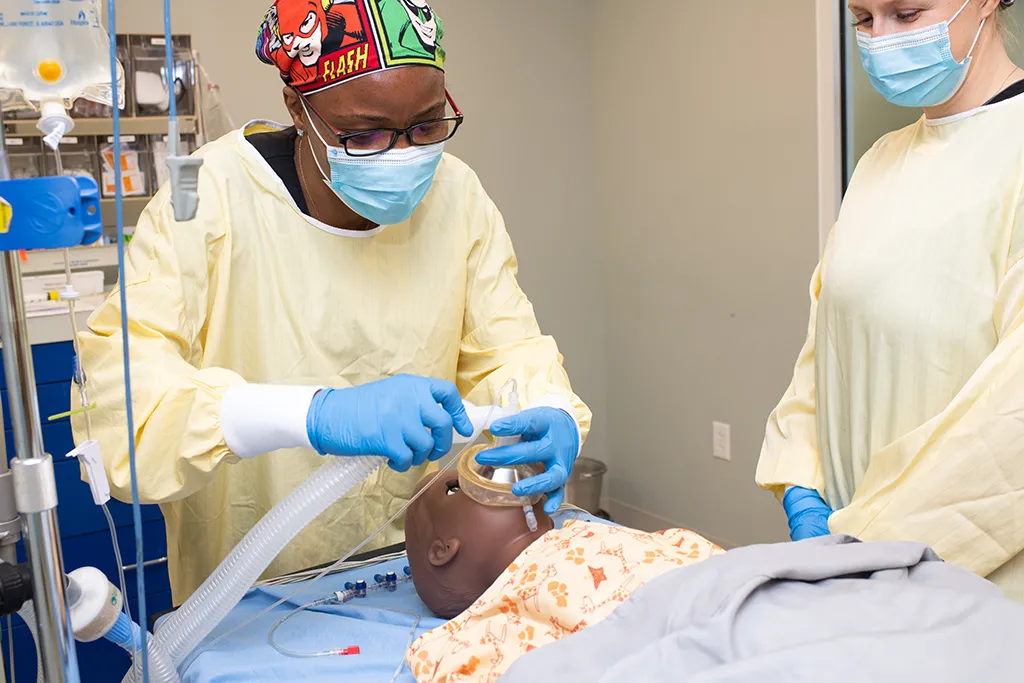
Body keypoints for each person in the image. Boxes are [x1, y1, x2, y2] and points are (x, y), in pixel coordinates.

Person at [72, 0, 590, 605]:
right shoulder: (203, 193)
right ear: (297, 105)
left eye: (425, 126)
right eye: (364, 133)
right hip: (248, 594)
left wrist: (549, 406)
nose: (403, 154)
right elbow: (124, 410)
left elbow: (507, 349)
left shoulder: (457, 196)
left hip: (420, 575)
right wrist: (313, 415)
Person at [757, 0, 1024, 600]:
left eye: (906, 14)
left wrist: (874, 548)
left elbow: (1012, 429)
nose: (880, 40)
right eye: (863, 20)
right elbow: (823, 348)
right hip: (849, 564)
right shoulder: (879, 162)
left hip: (971, 586)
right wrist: (802, 478)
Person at [404, 447, 723, 682]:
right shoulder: (501, 617)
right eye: (456, 487)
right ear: (444, 550)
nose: (484, 481)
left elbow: (689, 550)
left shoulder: (580, 527)